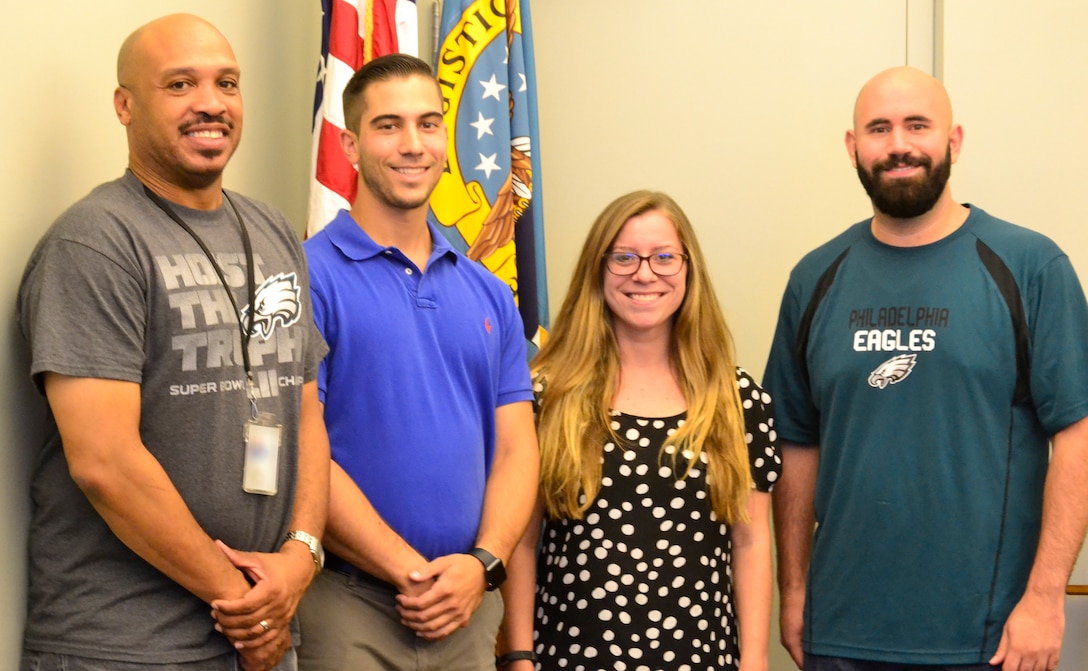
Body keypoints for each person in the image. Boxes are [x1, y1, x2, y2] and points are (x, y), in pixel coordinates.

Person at [16, 14, 329, 671]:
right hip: (126, 642)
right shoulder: (95, 241)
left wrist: (301, 555)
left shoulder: (270, 230)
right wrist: (239, 602)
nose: (211, 103)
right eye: (180, 84)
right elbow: (104, 460)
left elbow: (304, 408)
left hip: (262, 632)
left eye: (227, 83)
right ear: (125, 105)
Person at [765, 66, 1088, 671]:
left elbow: (1079, 436)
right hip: (840, 634)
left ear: (954, 141)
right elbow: (795, 443)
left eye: (918, 125)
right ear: (852, 147)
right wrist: (795, 590)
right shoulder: (814, 277)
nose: (898, 145)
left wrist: (1045, 598)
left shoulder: (1030, 266)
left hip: (990, 639)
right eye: (878, 128)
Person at [296, 54, 539, 670]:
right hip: (349, 605)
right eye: (389, 126)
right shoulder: (304, 278)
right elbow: (301, 449)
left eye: (429, 124)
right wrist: (414, 573)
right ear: (350, 145)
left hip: (466, 609)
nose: (413, 145)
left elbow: (516, 449)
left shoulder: (485, 290)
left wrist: (482, 565)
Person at [500, 190, 780, 671]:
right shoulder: (547, 394)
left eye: (664, 257)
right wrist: (518, 654)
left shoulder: (736, 399)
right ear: (598, 269)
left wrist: (754, 660)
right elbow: (521, 540)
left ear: (689, 269)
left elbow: (750, 543)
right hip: (571, 654)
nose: (644, 273)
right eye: (624, 257)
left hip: (700, 656)